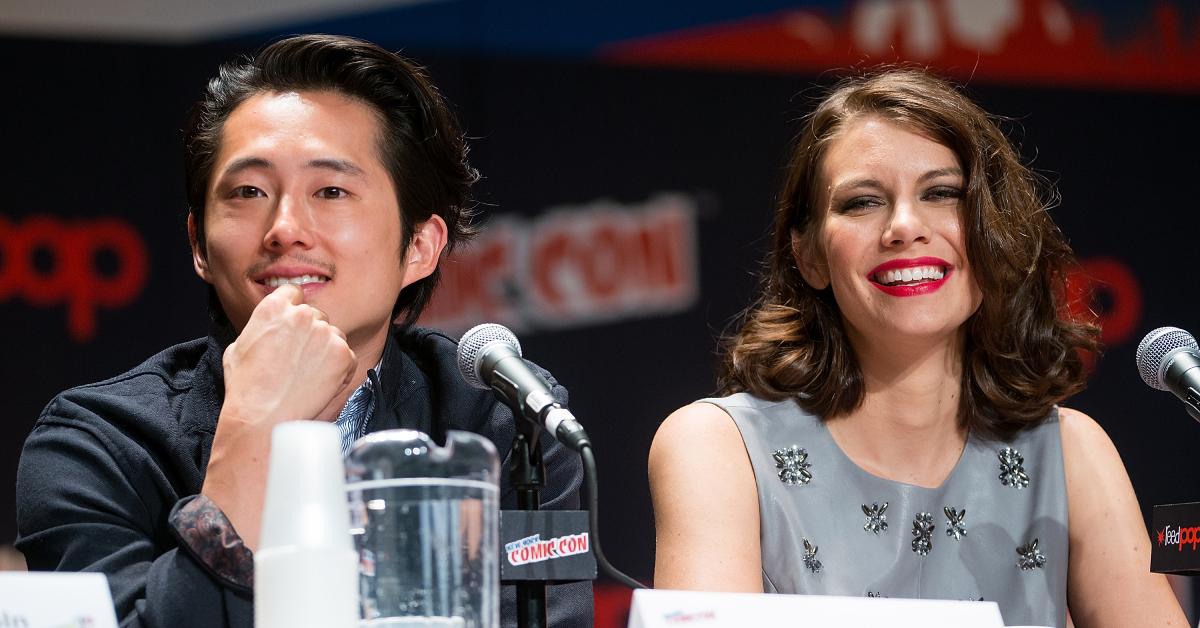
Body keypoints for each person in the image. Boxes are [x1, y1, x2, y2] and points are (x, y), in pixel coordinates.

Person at [15, 34, 591, 628]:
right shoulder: (97, 443)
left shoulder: (502, 419)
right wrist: (256, 428)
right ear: (199, 247)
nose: (285, 228)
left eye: (332, 191)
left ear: (420, 246)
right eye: (248, 192)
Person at [649, 68, 1186, 627]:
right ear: (808, 255)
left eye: (942, 193)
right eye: (862, 202)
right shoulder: (718, 447)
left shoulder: (1072, 454)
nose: (905, 227)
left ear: (992, 232)